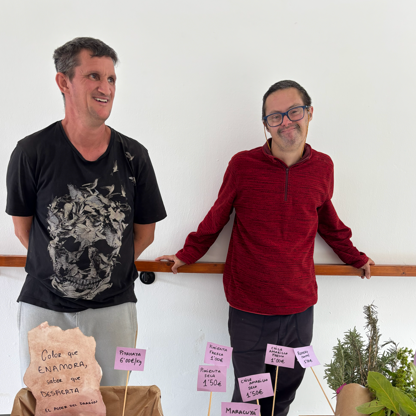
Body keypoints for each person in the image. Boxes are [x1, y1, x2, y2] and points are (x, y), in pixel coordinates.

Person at [156, 80, 373, 415]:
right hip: (249, 309)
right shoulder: (242, 165)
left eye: (294, 111)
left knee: (283, 396)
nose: (286, 122)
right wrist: (187, 254)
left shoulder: (323, 167)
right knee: (249, 400)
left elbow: (328, 221)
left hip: (299, 308)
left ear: (309, 113)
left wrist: (355, 258)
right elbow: (217, 216)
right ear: (266, 125)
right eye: (275, 116)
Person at [6, 37, 166, 386]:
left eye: (111, 79)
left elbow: (145, 232)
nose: (105, 87)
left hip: (114, 311)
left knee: (113, 403)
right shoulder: (31, 152)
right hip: (44, 308)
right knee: (46, 404)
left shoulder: (134, 156)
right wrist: (62, 261)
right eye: (94, 75)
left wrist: (107, 266)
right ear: (63, 82)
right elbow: (23, 229)